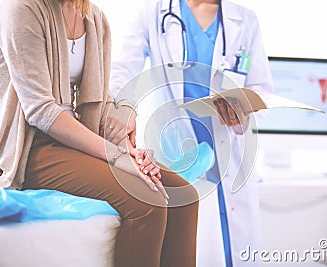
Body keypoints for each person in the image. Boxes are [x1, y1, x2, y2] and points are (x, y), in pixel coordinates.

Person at [0, 0, 199, 266]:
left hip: (73, 141)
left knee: (183, 195)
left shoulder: (95, 18)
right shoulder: (20, 10)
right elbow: (39, 110)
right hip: (25, 148)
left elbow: (99, 99)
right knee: (147, 200)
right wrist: (116, 156)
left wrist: (131, 153)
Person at [110, 0, 273, 266]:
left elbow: (262, 89)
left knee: (235, 249)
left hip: (230, 154)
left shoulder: (245, 20)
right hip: (177, 153)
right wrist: (125, 105)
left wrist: (244, 106)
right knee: (187, 250)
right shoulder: (153, 13)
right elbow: (121, 71)